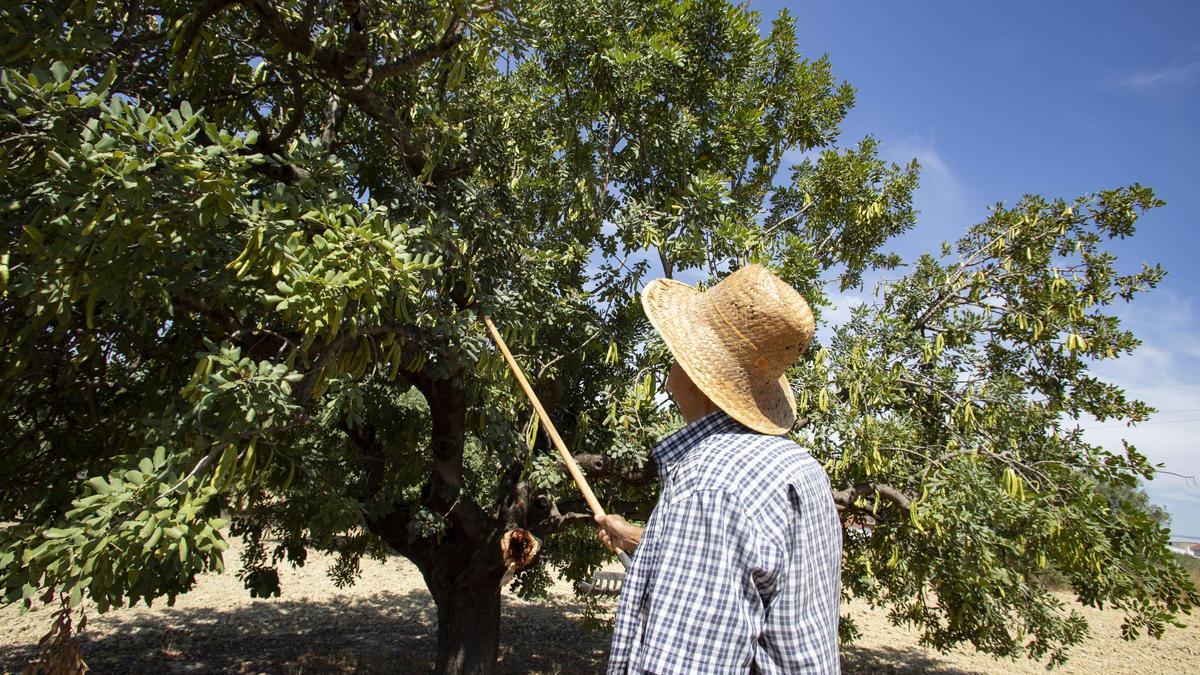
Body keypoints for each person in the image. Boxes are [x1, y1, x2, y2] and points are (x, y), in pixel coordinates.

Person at [595, 264, 842, 674]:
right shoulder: (802, 468)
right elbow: (757, 567)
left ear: (695, 373)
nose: (668, 381)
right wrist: (639, 537)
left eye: (675, 356)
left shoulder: (708, 484)